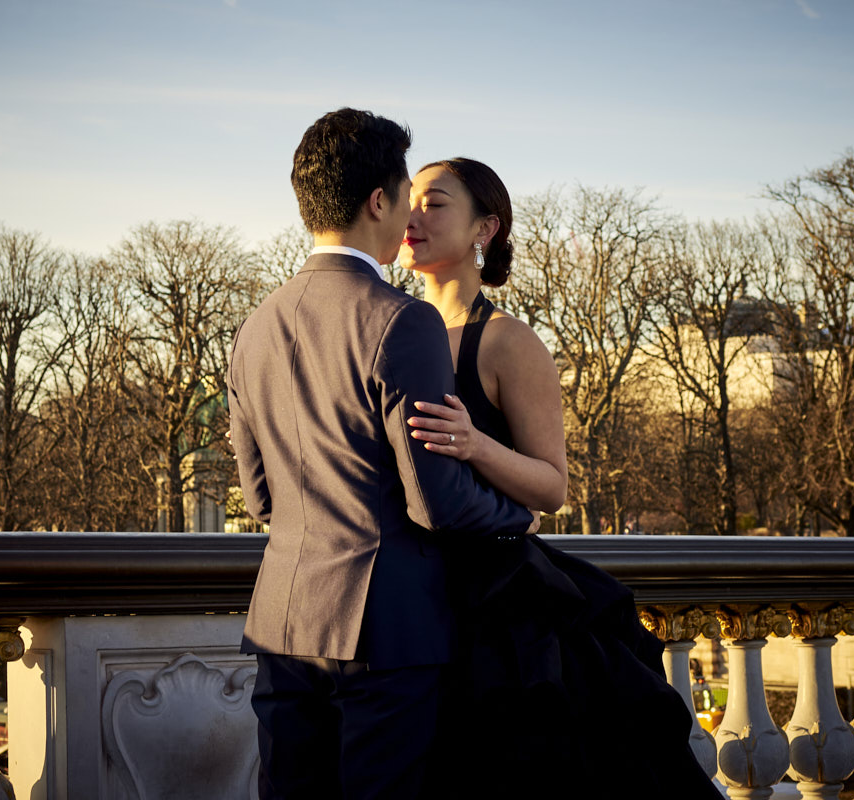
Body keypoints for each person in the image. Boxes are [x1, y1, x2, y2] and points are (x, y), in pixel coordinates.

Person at [226, 112, 535, 800]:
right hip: (385, 634)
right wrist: (514, 515)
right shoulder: (401, 319)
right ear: (377, 203)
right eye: (405, 197)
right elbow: (438, 500)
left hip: (281, 625)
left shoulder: (254, 327)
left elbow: (261, 499)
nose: (410, 216)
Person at [401, 157, 723, 798]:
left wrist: (473, 446)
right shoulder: (388, 332)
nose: (413, 216)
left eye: (434, 203)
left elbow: (552, 487)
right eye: (409, 200)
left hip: (496, 610)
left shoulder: (508, 342)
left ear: (483, 229)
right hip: (410, 597)